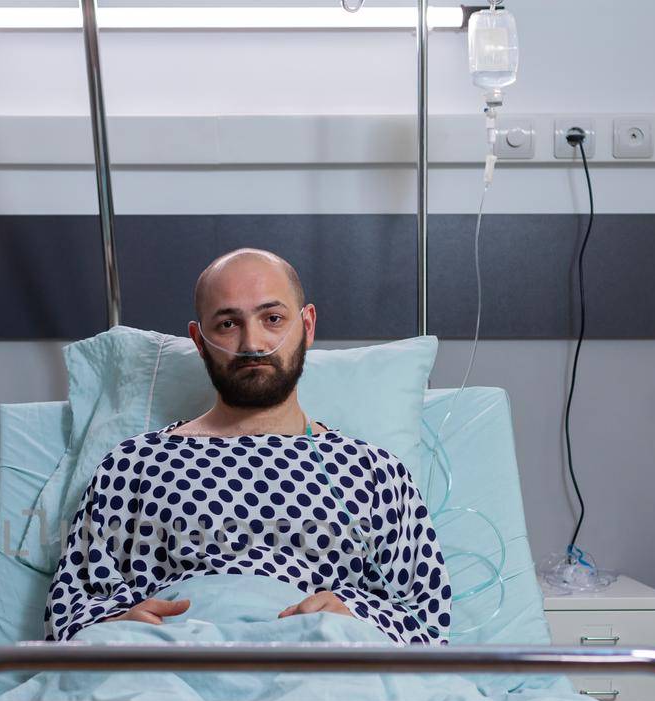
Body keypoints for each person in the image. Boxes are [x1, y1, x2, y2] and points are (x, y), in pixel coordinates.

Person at [44, 248, 451, 646]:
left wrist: (355, 617)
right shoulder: (133, 465)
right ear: (199, 341)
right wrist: (121, 625)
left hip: (320, 668)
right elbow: (70, 609)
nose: (253, 343)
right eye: (227, 325)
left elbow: (426, 622)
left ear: (306, 326)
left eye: (273, 319)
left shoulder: (373, 472)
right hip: (170, 668)